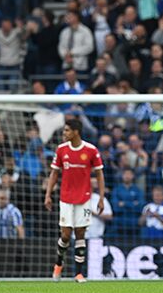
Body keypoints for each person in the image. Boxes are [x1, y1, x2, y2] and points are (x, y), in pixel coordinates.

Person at [45, 119, 105, 283]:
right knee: (65, 235)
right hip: (66, 197)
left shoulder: (91, 150)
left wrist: (100, 198)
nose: (64, 134)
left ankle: (78, 273)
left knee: (80, 234)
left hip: (84, 198)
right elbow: (54, 173)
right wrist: (48, 194)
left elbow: (99, 174)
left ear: (76, 132)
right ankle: (59, 264)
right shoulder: (61, 150)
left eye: (66, 131)